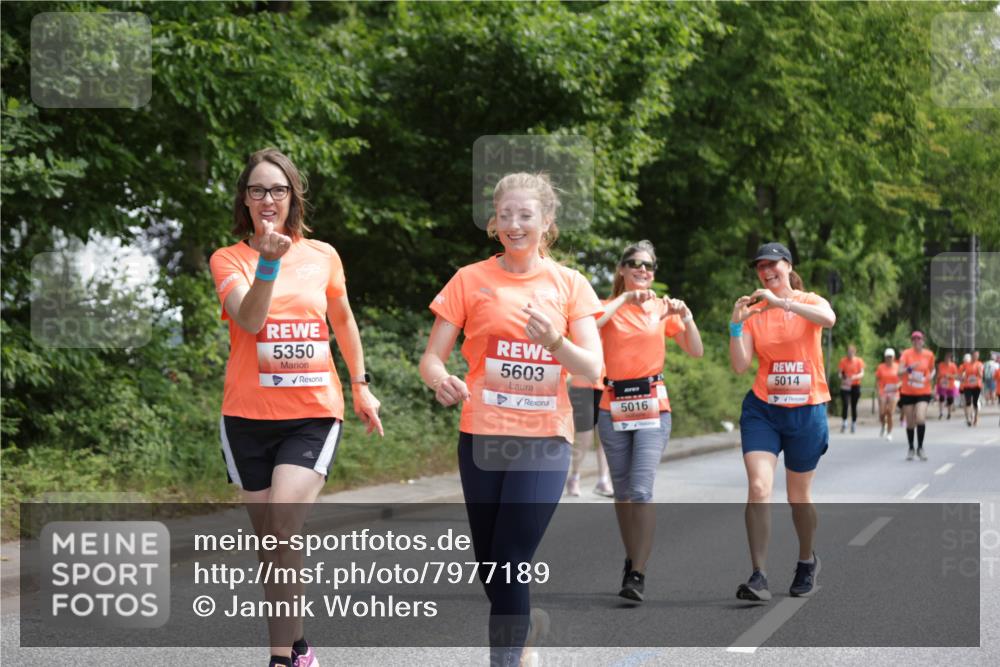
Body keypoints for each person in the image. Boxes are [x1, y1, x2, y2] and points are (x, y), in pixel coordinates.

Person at [419, 172, 603, 667]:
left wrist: (556, 344)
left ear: (547, 221)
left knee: (512, 556)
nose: (515, 224)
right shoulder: (469, 280)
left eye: (526, 215)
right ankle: (528, 629)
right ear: (492, 222)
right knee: (492, 568)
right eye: (505, 216)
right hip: (481, 437)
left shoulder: (570, 284)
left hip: (544, 438)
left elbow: (594, 367)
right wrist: (440, 380)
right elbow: (431, 358)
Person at [209, 148, 383, 667]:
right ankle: (297, 644)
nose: (268, 198)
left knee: (283, 525)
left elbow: (344, 321)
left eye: (278, 189)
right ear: (245, 198)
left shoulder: (323, 255)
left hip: (312, 412)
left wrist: (361, 383)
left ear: (293, 197)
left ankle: (281, 660)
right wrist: (267, 261)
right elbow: (249, 319)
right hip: (246, 416)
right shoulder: (229, 258)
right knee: (271, 545)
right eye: (258, 189)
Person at [594, 240, 703, 602]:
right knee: (623, 495)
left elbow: (695, 349)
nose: (643, 270)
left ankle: (637, 573)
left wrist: (685, 316)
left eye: (649, 266)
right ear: (622, 270)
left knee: (641, 490)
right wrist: (624, 300)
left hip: (653, 406)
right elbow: (590, 329)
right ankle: (632, 558)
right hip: (613, 406)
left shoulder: (661, 308)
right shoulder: (608, 306)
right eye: (635, 264)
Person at [729, 242, 835, 602]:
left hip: (808, 410)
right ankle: (758, 576)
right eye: (760, 266)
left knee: (797, 497)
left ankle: (807, 560)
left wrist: (782, 303)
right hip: (764, 410)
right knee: (759, 488)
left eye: (772, 264)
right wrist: (735, 325)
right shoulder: (755, 312)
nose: (766, 271)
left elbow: (829, 319)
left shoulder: (810, 300)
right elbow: (741, 365)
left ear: (788, 266)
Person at [566, 372, 613, 497]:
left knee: (605, 436)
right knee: (585, 437)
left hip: (606, 386)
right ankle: (574, 477)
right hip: (582, 386)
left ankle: (603, 480)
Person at [898, 331, 935, 461]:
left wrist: (930, 376)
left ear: (923, 341)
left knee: (920, 417)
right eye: (914, 339)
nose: (916, 341)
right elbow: (899, 372)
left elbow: (932, 369)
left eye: (919, 339)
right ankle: (911, 448)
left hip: (923, 391)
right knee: (910, 422)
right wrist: (909, 368)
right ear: (912, 341)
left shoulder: (929, 354)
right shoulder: (906, 354)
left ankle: (920, 447)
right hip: (907, 392)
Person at [837, 344, 865, 434]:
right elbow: (840, 373)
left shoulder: (859, 361)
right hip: (845, 385)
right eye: (848, 352)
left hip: (855, 385)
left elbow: (862, 373)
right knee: (845, 404)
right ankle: (844, 422)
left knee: (854, 405)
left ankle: (853, 423)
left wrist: (855, 377)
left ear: (854, 352)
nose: (850, 354)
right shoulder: (843, 361)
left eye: (852, 352)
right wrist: (843, 377)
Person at [875, 349, 900, 441]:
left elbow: (902, 380)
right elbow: (877, 380)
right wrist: (878, 391)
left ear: (894, 357)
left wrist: (898, 385)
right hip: (883, 391)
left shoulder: (898, 367)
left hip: (894, 392)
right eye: (887, 357)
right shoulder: (880, 367)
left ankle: (889, 433)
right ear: (885, 357)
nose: (889, 358)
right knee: (882, 413)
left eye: (890, 356)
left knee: (889, 412)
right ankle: (883, 425)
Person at [959, 351, 984, 427]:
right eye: (974, 355)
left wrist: (979, 371)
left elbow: (981, 375)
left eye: (977, 355)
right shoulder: (966, 365)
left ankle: (976, 417)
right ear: (972, 356)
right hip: (967, 386)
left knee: (975, 403)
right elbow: (961, 374)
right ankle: (969, 418)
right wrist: (962, 376)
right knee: (968, 402)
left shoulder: (980, 364)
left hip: (976, 386)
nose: (976, 357)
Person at [935, 351, 959, 420]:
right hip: (942, 384)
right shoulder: (941, 365)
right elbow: (938, 374)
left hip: (950, 385)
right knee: (941, 398)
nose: (947, 359)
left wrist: (950, 376)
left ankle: (949, 413)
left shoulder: (953, 366)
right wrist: (939, 377)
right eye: (946, 358)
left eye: (948, 358)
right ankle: (941, 413)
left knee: (950, 399)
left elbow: (956, 375)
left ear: (950, 359)